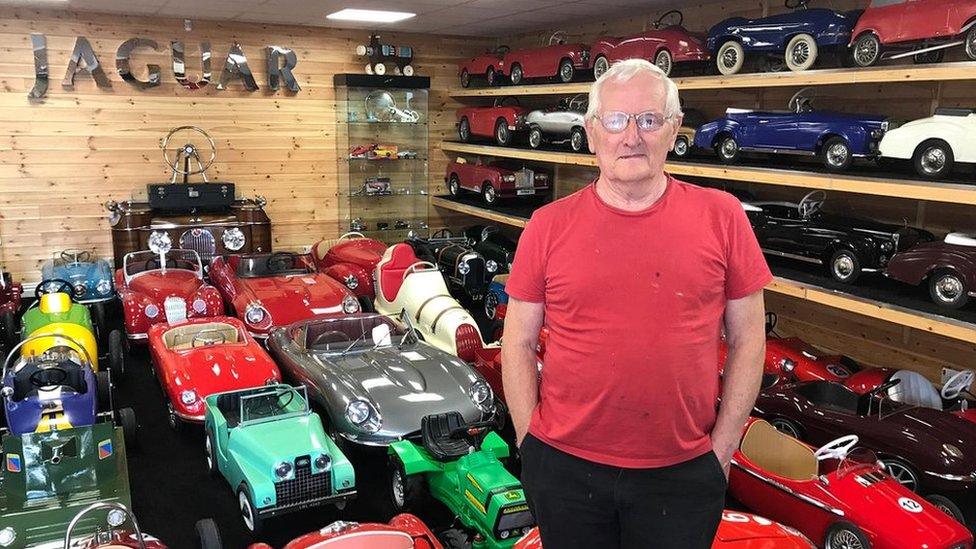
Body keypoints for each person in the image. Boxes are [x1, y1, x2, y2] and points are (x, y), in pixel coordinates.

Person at [501, 58, 771, 548]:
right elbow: (516, 343)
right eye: (617, 120)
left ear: (672, 131)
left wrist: (723, 447)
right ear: (591, 132)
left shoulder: (722, 216)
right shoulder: (547, 226)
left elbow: (751, 339)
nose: (632, 137)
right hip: (564, 468)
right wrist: (529, 443)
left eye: (649, 120)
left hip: (683, 472)